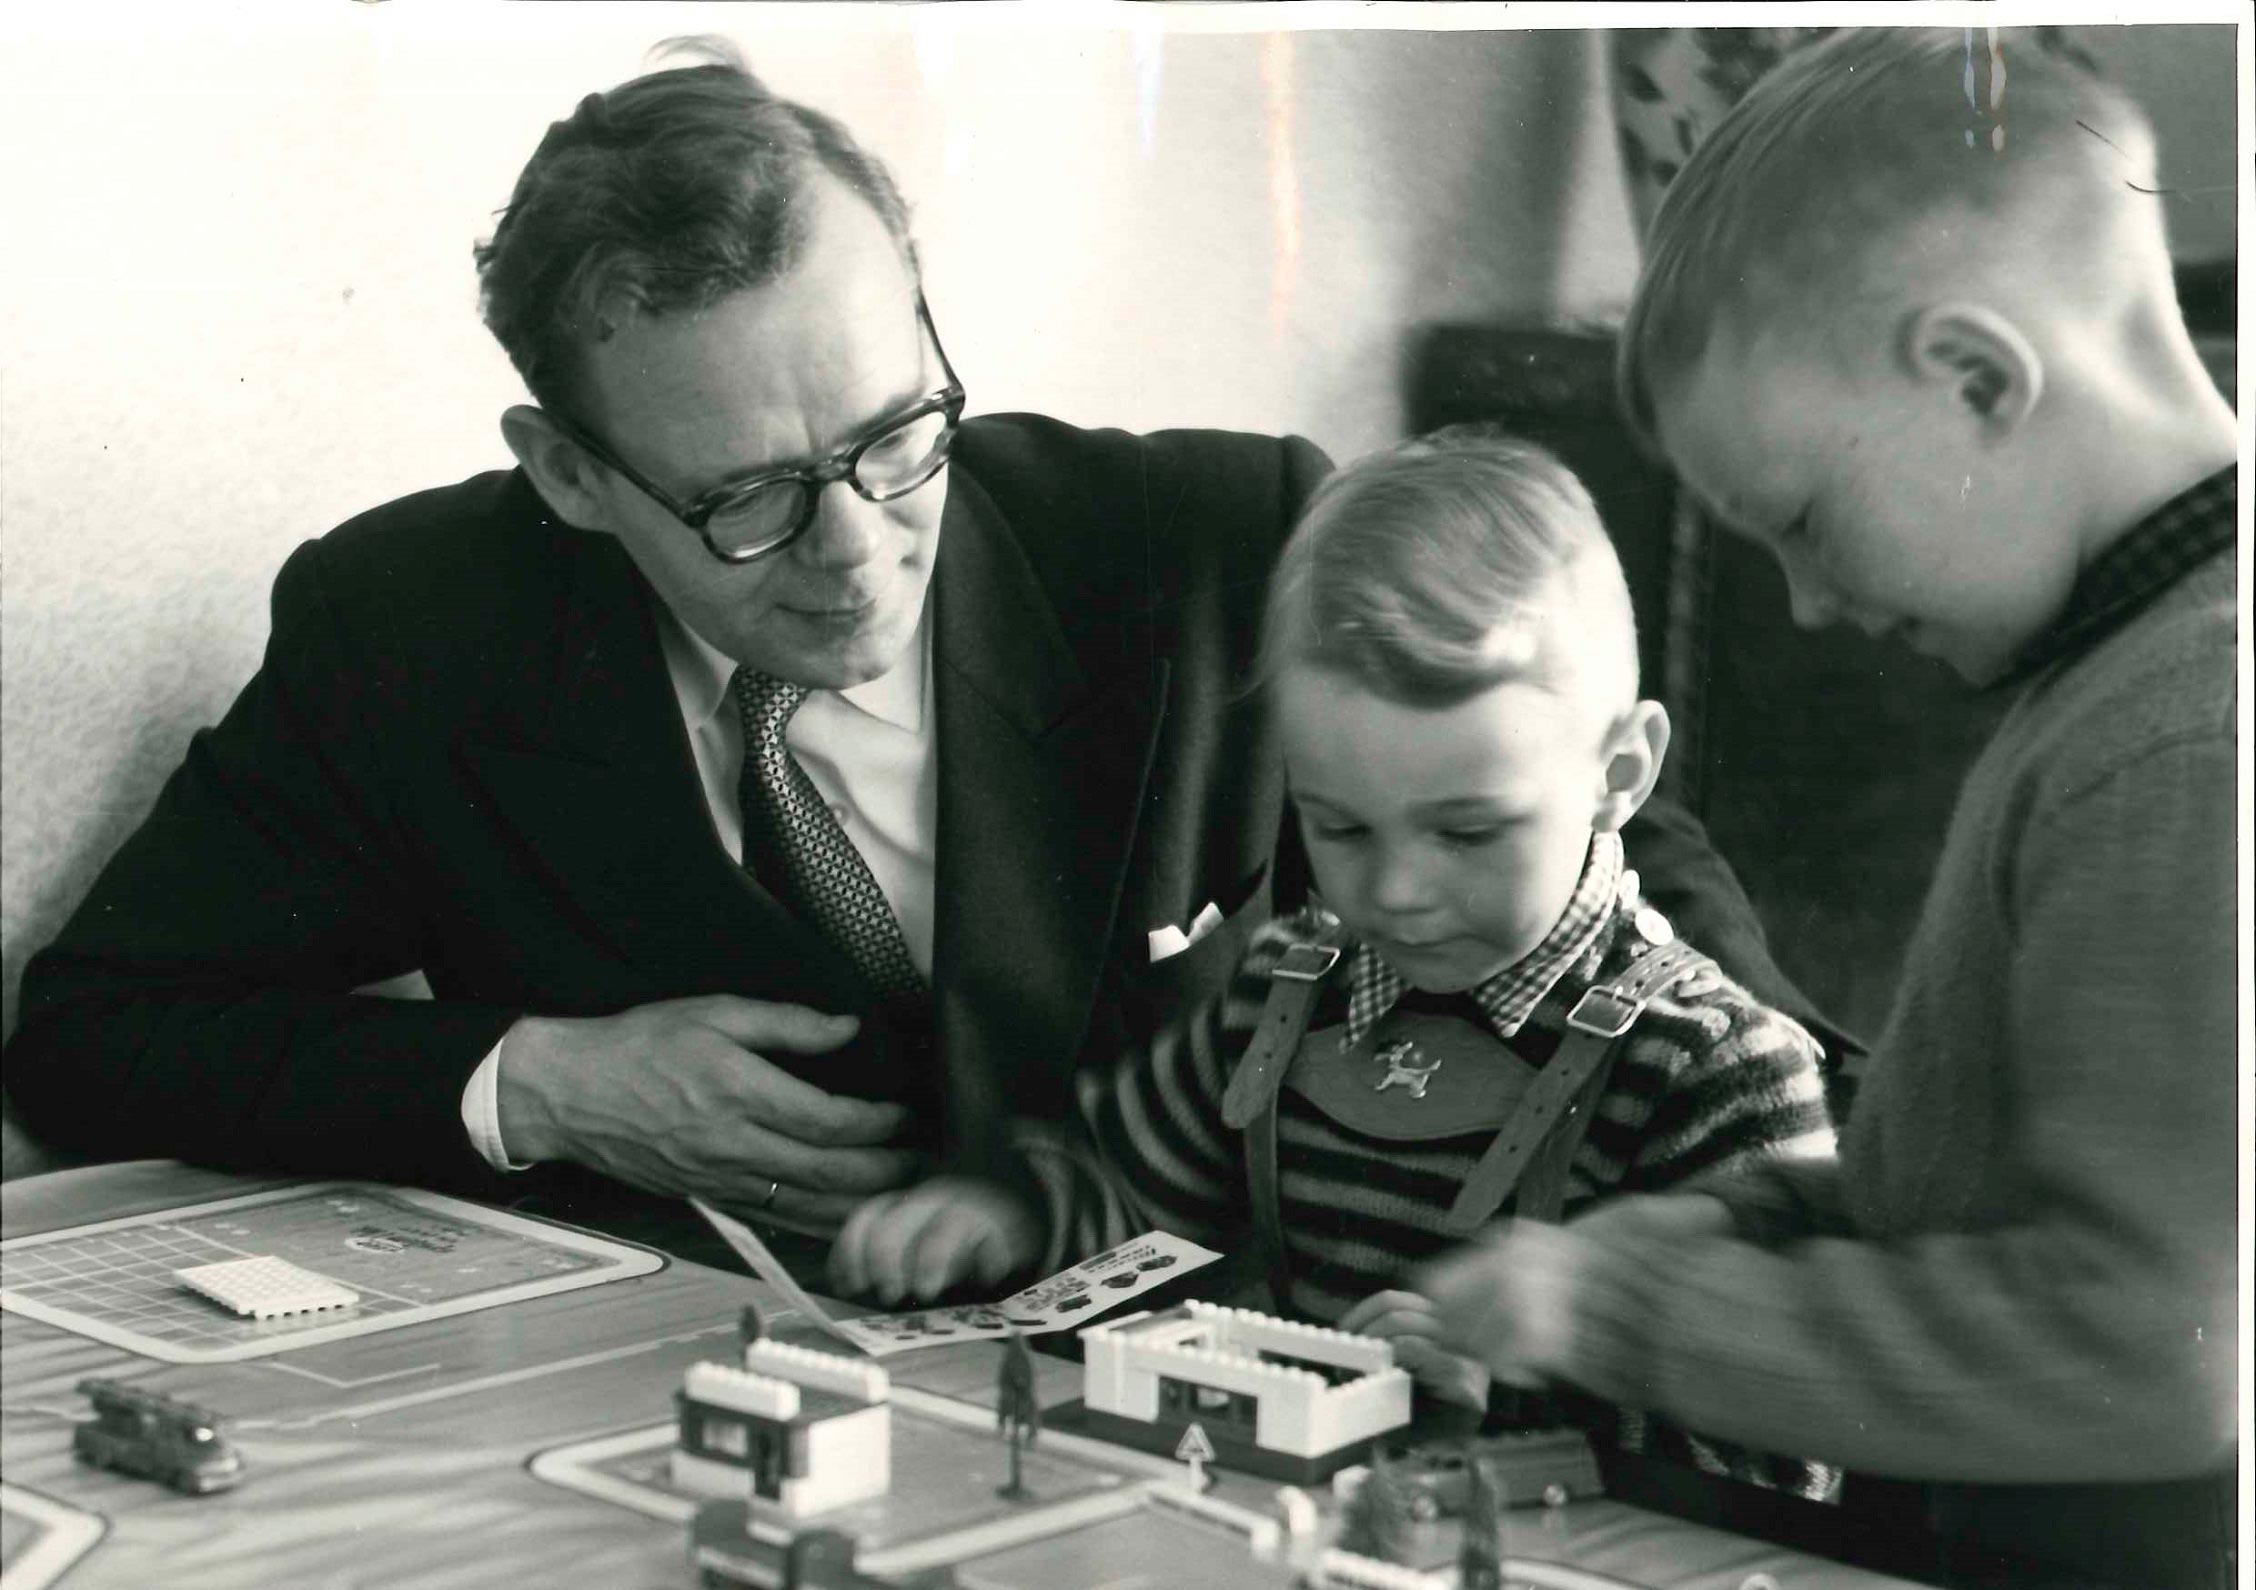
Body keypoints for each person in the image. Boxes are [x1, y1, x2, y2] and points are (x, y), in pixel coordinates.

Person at [6, 44, 1823, 1262]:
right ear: (567, 474)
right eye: (746, 500)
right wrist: (541, 1082)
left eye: (896, 436)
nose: (857, 548)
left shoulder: (1223, 542)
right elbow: (99, 1037)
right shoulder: (413, 632)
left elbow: (1618, 876)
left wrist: (1792, 1204)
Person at [1415, 30, 2239, 1590]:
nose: (1803, 602)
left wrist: (1623, 1313)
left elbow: (2157, 1344)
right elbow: (1986, 1182)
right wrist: (1763, 1225)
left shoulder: (2185, 741)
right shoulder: (2120, 681)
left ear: (1978, 377)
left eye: (1801, 517)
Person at [828, 432, 1835, 1495]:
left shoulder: (1718, 1073)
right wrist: (1011, 1215)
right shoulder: (1286, 989)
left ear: (1620, 772)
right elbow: (1130, 1195)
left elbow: (1781, 1466)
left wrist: (1510, 1399)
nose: (1395, 891)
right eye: (1341, 828)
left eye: (1467, 832)